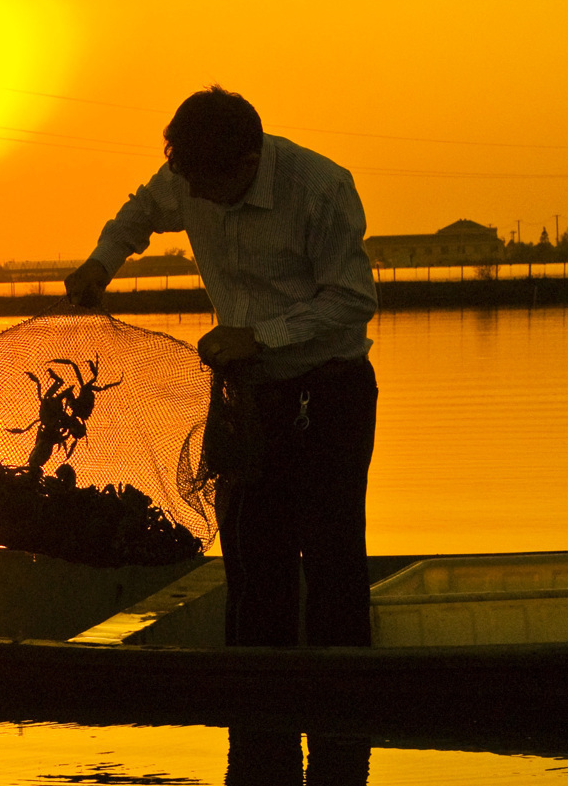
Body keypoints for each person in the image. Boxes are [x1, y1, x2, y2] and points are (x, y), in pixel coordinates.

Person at [66, 87, 379, 646]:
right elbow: (140, 212)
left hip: (330, 398)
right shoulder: (190, 179)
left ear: (249, 163)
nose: (197, 200)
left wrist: (258, 337)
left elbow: (352, 300)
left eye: (210, 187)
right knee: (252, 562)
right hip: (248, 401)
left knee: (333, 558)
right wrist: (100, 263)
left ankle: (342, 709)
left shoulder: (320, 189)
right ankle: (258, 710)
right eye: (189, 185)